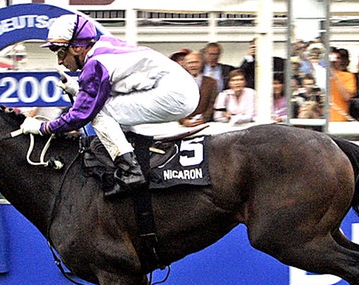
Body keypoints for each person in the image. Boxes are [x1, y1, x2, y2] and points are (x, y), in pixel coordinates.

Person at [20, 14, 199, 197]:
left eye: (60, 52)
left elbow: (81, 115)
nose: (59, 61)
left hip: (174, 94)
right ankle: (131, 153)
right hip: (180, 87)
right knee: (108, 108)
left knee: (100, 113)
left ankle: (131, 171)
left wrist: (43, 127)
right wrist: (76, 89)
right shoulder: (102, 46)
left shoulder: (94, 64)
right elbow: (106, 90)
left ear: (77, 47)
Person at [179, 51, 218, 127]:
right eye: (190, 63)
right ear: (185, 65)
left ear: (201, 63)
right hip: (184, 125)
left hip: (204, 124)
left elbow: (212, 104)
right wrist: (183, 120)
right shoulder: (179, 83)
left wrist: (204, 118)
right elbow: (175, 105)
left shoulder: (211, 82)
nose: (193, 65)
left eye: (196, 62)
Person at [328, 49, 356, 122]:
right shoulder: (320, 74)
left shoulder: (348, 76)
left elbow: (347, 97)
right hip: (322, 118)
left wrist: (334, 75)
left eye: (338, 58)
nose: (334, 61)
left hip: (339, 118)